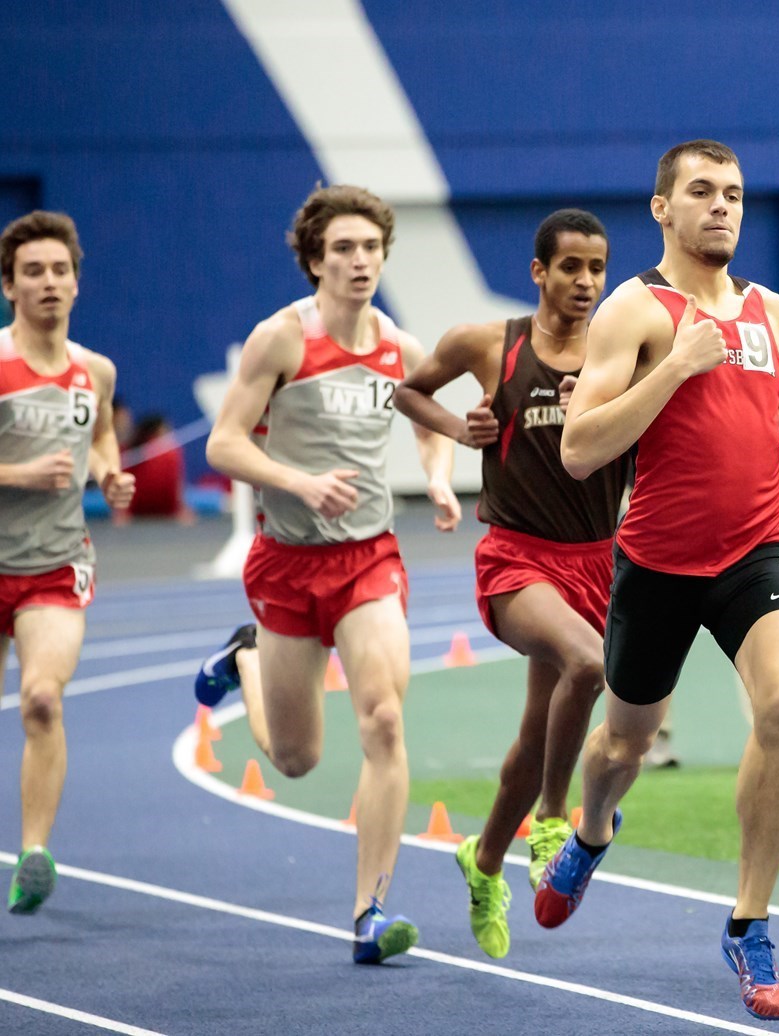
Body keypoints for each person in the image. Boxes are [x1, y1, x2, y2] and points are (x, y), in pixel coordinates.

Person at [546, 139, 779, 1021]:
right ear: (662, 207)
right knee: (622, 746)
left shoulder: (777, 315)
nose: (723, 207)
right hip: (658, 561)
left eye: (734, 193)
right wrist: (675, 367)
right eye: (701, 192)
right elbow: (579, 448)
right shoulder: (634, 311)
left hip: (756, 549)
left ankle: (749, 923)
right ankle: (591, 832)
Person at [193, 184, 457, 964]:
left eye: (370, 247)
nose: (359, 261)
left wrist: (438, 477)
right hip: (286, 560)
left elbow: (430, 418)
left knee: (382, 719)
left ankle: (369, 912)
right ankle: (244, 658)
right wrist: (298, 481)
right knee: (298, 759)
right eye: (342, 248)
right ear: (315, 259)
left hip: (368, 556)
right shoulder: (279, 340)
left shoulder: (400, 348)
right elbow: (222, 445)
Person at [391, 208, 623, 959]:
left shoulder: (623, 350)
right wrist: (462, 432)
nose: (586, 282)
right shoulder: (488, 343)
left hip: (597, 561)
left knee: (536, 732)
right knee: (588, 665)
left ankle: (482, 857)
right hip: (517, 558)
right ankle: (553, 820)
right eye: (571, 268)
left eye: (597, 268)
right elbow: (408, 392)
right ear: (539, 272)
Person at [0, 211, 133, 913]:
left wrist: (108, 476)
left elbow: (103, 435)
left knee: (41, 700)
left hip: (54, 564)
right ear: (9, 286)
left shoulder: (95, 371)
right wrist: (20, 476)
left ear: (76, 284)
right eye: (33, 272)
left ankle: (34, 853)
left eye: (60, 271)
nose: (48, 282)